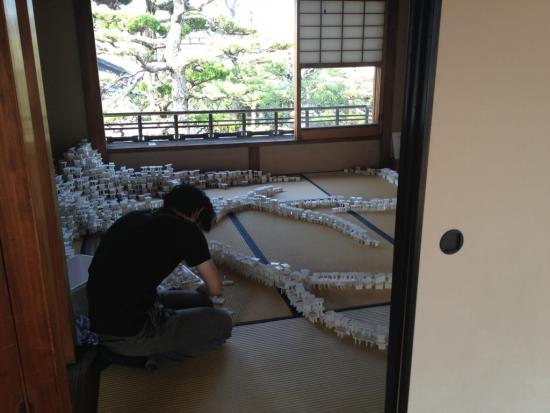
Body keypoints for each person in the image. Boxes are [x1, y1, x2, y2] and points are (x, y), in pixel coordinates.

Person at [87, 184, 233, 369]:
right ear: (198, 212)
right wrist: (209, 287)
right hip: (130, 334)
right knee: (223, 323)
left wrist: (206, 290)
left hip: (102, 318)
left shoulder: (134, 217)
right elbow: (216, 289)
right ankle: (145, 358)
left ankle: (144, 341)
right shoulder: (187, 230)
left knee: (203, 302)